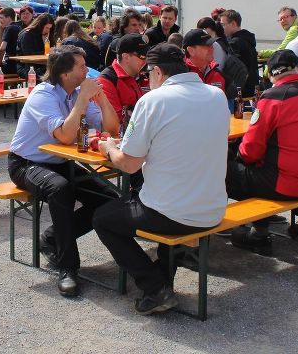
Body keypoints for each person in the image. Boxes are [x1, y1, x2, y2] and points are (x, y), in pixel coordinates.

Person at [93, 43, 229, 315]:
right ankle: (161, 279)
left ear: (157, 72)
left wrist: (108, 148)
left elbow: (129, 165)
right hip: (213, 208)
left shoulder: (153, 101)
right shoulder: (215, 95)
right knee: (166, 201)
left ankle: (155, 287)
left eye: (147, 75)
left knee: (103, 219)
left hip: (172, 212)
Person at [8, 45, 120, 297]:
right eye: (81, 67)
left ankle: (51, 238)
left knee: (108, 199)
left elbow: (112, 130)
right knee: (61, 189)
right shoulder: (43, 95)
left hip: (60, 162)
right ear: (65, 74)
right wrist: (82, 101)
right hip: (26, 162)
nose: (87, 70)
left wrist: (101, 101)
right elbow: (65, 135)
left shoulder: (78, 91)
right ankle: (68, 267)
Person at [227, 50, 298, 253]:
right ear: (297, 68)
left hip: (285, 186)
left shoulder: (274, 97)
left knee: (223, 170)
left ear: (271, 74)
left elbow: (250, 150)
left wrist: (236, 154)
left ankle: (258, 233)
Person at [98, 33, 147, 127]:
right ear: (126, 57)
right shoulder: (107, 80)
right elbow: (118, 119)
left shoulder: (139, 74)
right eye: (142, 56)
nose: (145, 61)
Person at [219, 9, 258, 97]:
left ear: (233, 24)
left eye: (223, 25)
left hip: (241, 91)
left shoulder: (235, 43)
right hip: (251, 87)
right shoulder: (247, 39)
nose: (221, 28)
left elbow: (234, 70)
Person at [183, 29, 228, 94]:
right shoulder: (180, 74)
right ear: (191, 50)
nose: (212, 48)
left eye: (211, 45)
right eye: (207, 45)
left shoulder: (218, 74)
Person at [16, 13, 53, 79]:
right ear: (40, 25)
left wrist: (45, 42)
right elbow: (28, 54)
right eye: (46, 28)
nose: (48, 30)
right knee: (44, 76)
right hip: (25, 66)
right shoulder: (27, 34)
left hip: (39, 65)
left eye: (49, 28)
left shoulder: (43, 35)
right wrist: (45, 51)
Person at [0, 7, 20, 74]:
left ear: (9, 18)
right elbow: (0, 45)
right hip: (18, 64)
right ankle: (11, 85)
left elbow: (2, 48)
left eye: (1, 18)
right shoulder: (19, 27)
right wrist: (1, 30)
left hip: (10, 63)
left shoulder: (9, 28)